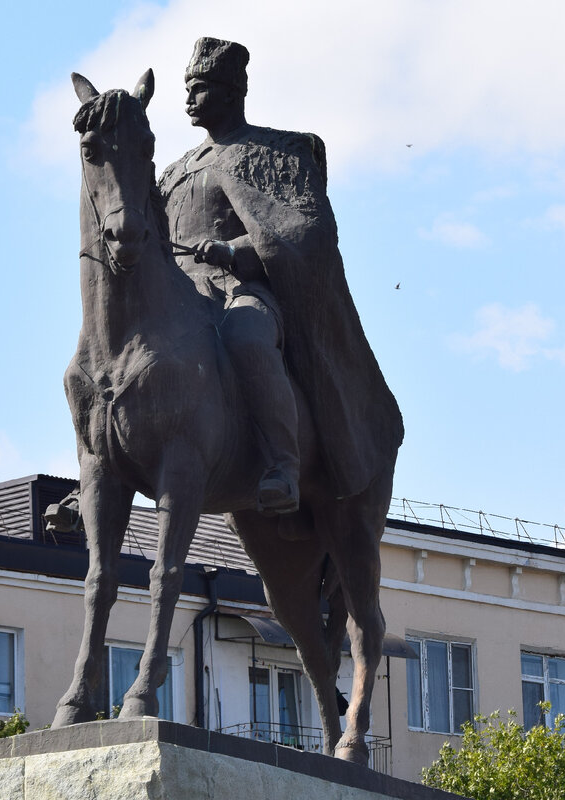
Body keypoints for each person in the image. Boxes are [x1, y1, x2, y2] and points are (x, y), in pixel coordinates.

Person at [159, 37, 402, 512]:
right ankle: (95, 476)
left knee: (246, 337)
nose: (189, 97)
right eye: (188, 87)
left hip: (242, 291)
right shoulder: (173, 171)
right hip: (179, 297)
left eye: (202, 87)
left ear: (233, 92)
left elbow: (306, 232)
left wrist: (233, 251)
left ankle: (282, 467)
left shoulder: (275, 152)